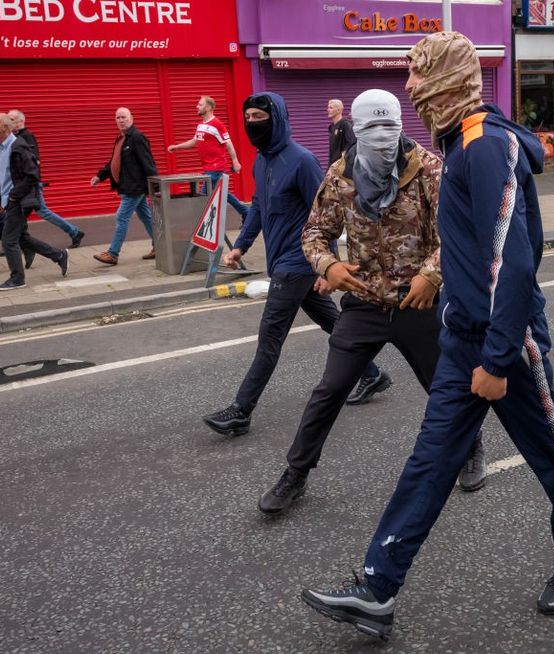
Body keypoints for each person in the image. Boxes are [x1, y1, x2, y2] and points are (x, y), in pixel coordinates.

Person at [301, 32, 554, 640]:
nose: (411, 91)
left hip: (504, 344)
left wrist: (495, 358)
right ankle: (378, 588)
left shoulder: (483, 146)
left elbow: (512, 263)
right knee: (430, 461)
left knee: (550, 453)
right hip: (463, 335)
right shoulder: (458, 146)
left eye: (421, 77)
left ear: (452, 82)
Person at [258, 89, 487, 516]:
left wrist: (430, 276)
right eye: (371, 129)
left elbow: (459, 232)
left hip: (418, 303)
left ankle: (471, 447)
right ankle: (296, 473)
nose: (381, 138)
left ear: (401, 125)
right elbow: (313, 233)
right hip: (363, 303)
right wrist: (328, 267)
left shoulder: (430, 170)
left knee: (446, 388)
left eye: (389, 127)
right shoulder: (341, 175)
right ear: (355, 132)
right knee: (328, 391)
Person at [202, 92, 388, 437]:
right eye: (249, 118)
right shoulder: (261, 160)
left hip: (298, 261)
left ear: (278, 119)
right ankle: (373, 374)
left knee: (269, 337)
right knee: (333, 323)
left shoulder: (301, 161)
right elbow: (257, 207)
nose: (252, 124)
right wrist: (240, 246)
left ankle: (241, 410)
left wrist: (327, 265)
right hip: (281, 262)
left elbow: (326, 215)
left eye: (260, 117)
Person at [0, 113, 69, 291]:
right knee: (22, 238)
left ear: (4, 127)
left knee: (9, 241)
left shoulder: (19, 147)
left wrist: (13, 196)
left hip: (18, 200)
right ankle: (59, 255)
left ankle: (17, 278)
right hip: (8, 200)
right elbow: (1, 176)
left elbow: (33, 176)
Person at [7, 109, 85, 249]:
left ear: (21, 121)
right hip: (22, 184)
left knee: (42, 211)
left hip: (31, 184)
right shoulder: (14, 137)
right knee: (18, 215)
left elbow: (35, 161)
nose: (8, 122)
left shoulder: (27, 136)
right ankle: (14, 243)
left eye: (12, 119)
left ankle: (75, 232)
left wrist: (31, 181)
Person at [90, 107, 158, 265]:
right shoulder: (121, 138)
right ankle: (160, 246)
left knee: (121, 217)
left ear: (131, 118)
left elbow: (149, 164)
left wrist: (156, 188)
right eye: (118, 118)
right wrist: (100, 176)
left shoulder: (137, 137)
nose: (120, 120)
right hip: (129, 186)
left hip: (134, 187)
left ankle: (113, 253)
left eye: (123, 117)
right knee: (146, 217)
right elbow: (114, 161)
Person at [167, 96, 249, 221]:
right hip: (207, 167)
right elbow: (195, 141)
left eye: (200, 104)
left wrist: (235, 161)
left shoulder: (217, 124)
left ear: (209, 107)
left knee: (202, 196)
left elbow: (228, 143)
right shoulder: (201, 125)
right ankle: (246, 212)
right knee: (223, 193)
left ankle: (199, 225)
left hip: (216, 167)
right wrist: (177, 147)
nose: (197, 107)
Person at [327, 99, 356, 168]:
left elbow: (351, 144)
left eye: (331, 108)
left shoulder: (345, 124)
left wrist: (342, 160)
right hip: (333, 165)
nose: (328, 110)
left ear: (339, 110)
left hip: (341, 167)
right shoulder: (331, 127)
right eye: (328, 107)